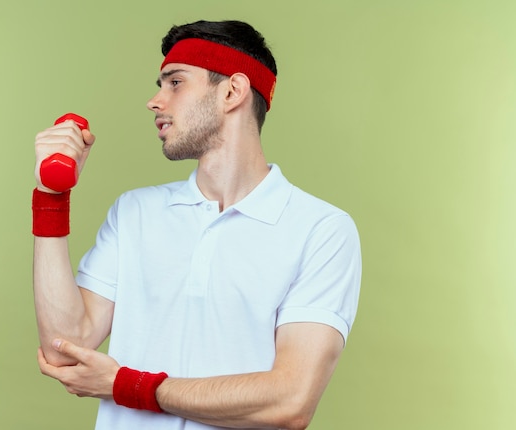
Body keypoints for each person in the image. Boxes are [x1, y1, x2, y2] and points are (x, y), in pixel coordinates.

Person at [32, 20, 361, 430]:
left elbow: (290, 402)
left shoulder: (321, 230)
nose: (155, 101)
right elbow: (65, 350)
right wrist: (51, 199)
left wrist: (127, 386)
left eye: (175, 83)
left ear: (232, 92)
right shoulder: (134, 212)